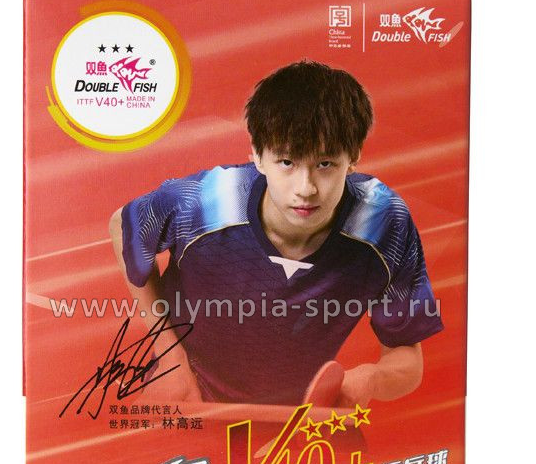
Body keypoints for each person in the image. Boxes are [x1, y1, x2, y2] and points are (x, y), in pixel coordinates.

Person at [109, 60, 443, 405]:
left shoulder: (384, 223)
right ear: (257, 156)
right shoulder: (204, 203)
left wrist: (372, 380)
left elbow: (406, 356)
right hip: (189, 404)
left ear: (353, 157)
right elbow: (123, 225)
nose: (306, 189)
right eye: (287, 162)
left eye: (325, 164)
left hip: (294, 421)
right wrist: (170, 357)